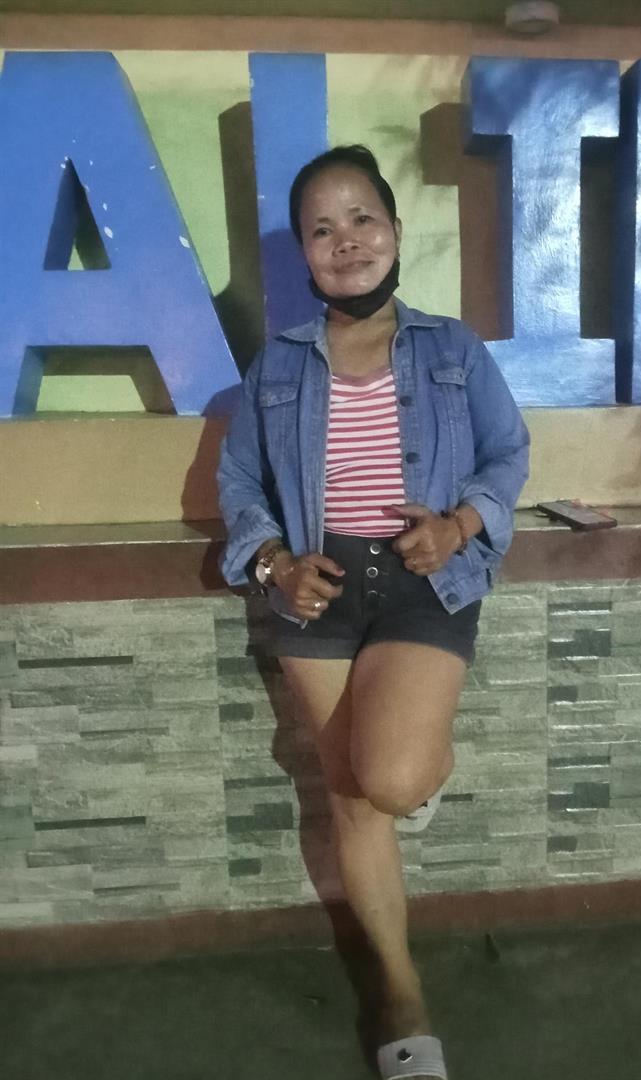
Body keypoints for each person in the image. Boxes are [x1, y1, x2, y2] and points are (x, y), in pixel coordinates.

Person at [217, 144, 529, 1080]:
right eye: (322, 228)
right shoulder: (277, 363)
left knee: (391, 779)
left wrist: (459, 526)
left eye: (361, 218)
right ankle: (400, 993)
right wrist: (274, 564)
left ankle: (421, 779)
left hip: (422, 578)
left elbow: (508, 453)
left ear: (394, 229)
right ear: (304, 253)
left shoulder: (452, 348)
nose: (345, 240)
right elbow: (241, 483)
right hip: (317, 588)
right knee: (350, 795)